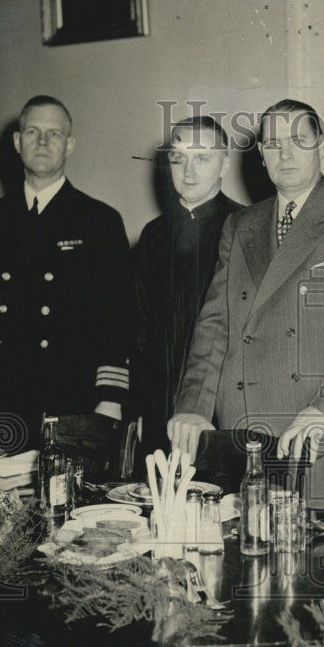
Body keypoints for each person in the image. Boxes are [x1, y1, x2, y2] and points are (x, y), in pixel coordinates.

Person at [167, 99, 324, 511]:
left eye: (298, 140)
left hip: (322, 439)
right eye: (273, 144)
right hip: (245, 443)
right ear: (260, 154)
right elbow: (215, 326)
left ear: (321, 144)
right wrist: (193, 407)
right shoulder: (240, 225)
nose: (284, 153)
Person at [0, 95, 131, 450]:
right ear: (17, 143)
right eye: (32, 131)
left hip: (72, 397)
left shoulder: (99, 220)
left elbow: (117, 317)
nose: (43, 141)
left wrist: (110, 395)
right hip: (1, 398)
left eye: (54, 133)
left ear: (70, 144)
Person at [131, 115, 244, 462]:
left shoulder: (247, 228)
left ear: (224, 163)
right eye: (179, 159)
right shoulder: (152, 236)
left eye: (203, 158)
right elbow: (137, 331)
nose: (189, 172)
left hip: (220, 413)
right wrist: (136, 407)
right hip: (157, 411)